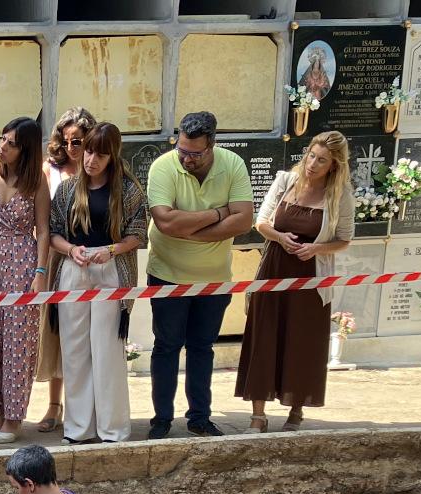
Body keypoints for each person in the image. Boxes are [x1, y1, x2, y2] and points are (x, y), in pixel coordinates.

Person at [144, 110, 254, 440]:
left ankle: (199, 417)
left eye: (195, 153)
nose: (187, 158)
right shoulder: (163, 167)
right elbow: (165, 222)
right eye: (182, 150)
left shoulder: (232, 164)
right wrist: (219, 215)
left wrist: (190, 228)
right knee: (166, 347)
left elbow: (244, 220)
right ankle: (161, 418)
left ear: (212, 145)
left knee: (202, 348)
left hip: (215, 278)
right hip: (167, 274)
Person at [236, 132, 353, 432]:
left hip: (311, 276)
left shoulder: (339, 195)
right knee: (264, 337)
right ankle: (258, 414)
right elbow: (260, 221)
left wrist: (316, 248)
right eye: (311, 156)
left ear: (334, 165)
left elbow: (344, 239)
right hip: (274, 268)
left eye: (322, 160)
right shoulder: (286, 181)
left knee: (301, 342)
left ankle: (296, 409)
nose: (313, 164)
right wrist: (280, 237)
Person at [48, 122, 148, 445]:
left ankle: (112, 429)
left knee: (106, 350)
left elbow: (138, 234)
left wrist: (110, 250)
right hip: (73, 268)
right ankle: (78, 428)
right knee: (75, 351)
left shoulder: (128, 190)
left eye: (99, 155)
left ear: (112, 156)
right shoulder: (67, 189)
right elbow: (53, 233)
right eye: (88, 151)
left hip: (111, 269)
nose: (91, 160)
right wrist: (71, 250)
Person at [0, 115, 50, 445]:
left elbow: (44, 230)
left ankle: (15, 417)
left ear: (26, 150)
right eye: (2, 138)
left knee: (18, 343)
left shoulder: (37, 183)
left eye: (12, 143)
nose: (2, 146)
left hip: (22, 260)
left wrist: (40, 274)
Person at [35, 106, 97, 433]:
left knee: (90, 335)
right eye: (69, 142)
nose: (74, 149)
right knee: (57, 331)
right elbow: (42, 223)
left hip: (98, 259)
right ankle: (54, 404)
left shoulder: (100, 170)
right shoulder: (51, 171)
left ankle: (86, 405)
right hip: (60, 257)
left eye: (80, 142)